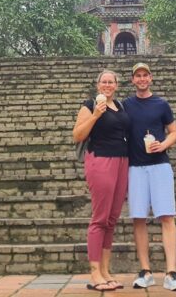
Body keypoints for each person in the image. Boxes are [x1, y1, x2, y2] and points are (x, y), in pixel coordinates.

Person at [123, 62, 176, 292]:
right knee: (138, 218)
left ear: (151, 78)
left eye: (145, 75)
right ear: (132, 80)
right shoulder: (126, 105)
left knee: (167, 216)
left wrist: (164, 145)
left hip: (159, 166)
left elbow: (174, 131)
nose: (141, 79)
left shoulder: (161, 104)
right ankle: (146, 270)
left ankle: (171, 272)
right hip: (136, 167)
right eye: (137, 75)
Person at [73, 69, 130, 291]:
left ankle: (106, 270)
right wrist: (96, 114)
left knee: (112, 219)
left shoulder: (121, 106)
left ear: (116, 85)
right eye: (103, 81)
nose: (107, 85)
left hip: (122, 161)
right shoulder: (89, 105)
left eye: (111, 82)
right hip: (101, 160)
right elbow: (77, 135)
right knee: (100, 218)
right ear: (98, 85)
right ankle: (95, 271)